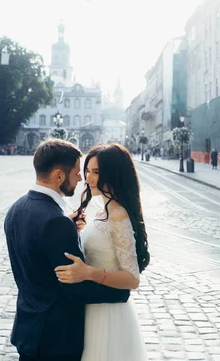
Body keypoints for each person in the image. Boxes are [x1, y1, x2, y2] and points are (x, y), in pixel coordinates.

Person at [4, 139, 130, 361]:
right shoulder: (56, 222)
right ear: (59, 176)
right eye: (76, 172)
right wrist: (120, 292)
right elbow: (74, 290)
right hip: (56, 340)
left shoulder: (17, 208)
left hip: (28, 329)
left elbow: (38, 258)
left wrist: (68, 227)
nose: (81, 178)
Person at [55, 143, 149, 361]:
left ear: (114, 173)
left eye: (96, 172)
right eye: (87, 171)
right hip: (90, 308)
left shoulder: (117, 214)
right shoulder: (99, 210)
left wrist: (88, 273)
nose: (88, 178)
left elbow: (132, 279)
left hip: (109, 315)